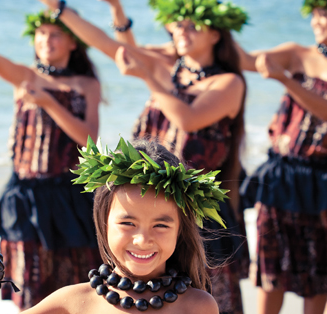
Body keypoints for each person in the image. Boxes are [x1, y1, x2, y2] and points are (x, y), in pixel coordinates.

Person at [37, 1, 251, 313]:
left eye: (192, 26)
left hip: (189, 207)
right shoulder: (168, 67)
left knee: (205, 298)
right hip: (143, 206)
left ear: (216, 34)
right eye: (178, 25)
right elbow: (111, 47)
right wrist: (67, 8)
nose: (182, 31)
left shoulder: (228, 82)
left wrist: (149, 78)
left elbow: (189, 119)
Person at [0, 0, 103, 309]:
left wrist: (48, 103)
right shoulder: (24, 77)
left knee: (74, 279)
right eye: (41, 33)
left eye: (55, 34)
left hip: (69, 194)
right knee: (29, 279)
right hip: (25, 194)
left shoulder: (86, 84)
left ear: (73, 41)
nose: (46, 40)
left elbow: (89, 139)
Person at [0, 138, 225, 313]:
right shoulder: (74, 303)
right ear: (103, 222)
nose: (143, 240)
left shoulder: (197, 306)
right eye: (128, 223)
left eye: (161, 226)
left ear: (180, 230)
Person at [237, 0, 327, 313]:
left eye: (323, 13)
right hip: (282, 174)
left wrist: (285, 79)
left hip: (326, 181)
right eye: (313, 14)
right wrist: (218, 27)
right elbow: (244, 60)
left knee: (319, 273)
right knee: (271, 269)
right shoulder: (296, 53)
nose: (316, 21)